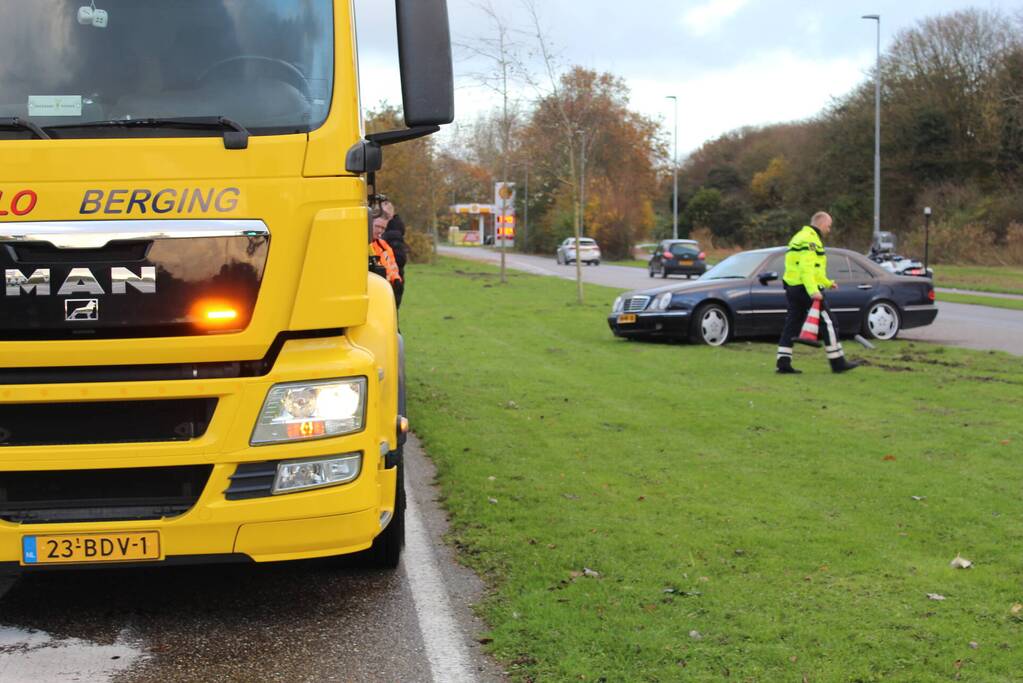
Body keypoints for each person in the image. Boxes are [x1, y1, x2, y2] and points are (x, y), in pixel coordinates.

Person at [776, 211, 861, 374]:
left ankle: (783, 362)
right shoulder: (810, 240)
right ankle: (838, 362)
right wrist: (813, 291)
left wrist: (827, 283)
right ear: (821, 224)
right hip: (805, 288)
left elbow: (814, 269)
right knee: (828, 321)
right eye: (828, 226)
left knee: (792, 323)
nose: (829, 230)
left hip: (792, 287)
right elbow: (806, 268)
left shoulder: (799, 236)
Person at [370, 215, 404, 308]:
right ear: (368, 224)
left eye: (383, 228)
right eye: (377, 226)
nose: (380, 231)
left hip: (385, 292)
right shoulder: (361, 244)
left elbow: (392, 266)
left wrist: (396, 280)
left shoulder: (383, 245)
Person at [380, 200, 408, 281]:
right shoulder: (394, 231)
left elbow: (400, 259)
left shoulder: (393, 233)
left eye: (384, 215)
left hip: (393, 280)